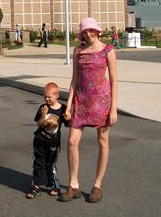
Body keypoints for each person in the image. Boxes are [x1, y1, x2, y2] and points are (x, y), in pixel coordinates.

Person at [59, 17, 118, 204]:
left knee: (102, 141)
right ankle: (73, 184)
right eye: (84, 32)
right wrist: (68, 105)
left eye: (91, 31)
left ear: (97, 31)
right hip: (81, 102)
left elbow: (114, 80)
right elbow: (74, 80)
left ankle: (97, 185)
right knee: (72, 142)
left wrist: (113, 108)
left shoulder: (108, 50)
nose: (88, 35)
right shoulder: (79, 51)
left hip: (102, 102)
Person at [26, 82, 69, 200]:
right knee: (38, 164)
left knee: (51, 165)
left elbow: (67, 124)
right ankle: (35, 186)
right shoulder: (43, 108)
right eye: (45, 96)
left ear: (57, 95)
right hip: (39, 140)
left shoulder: (63, 109)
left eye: (49, 97)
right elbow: (38, 124)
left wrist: (68, 118)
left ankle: (55, 185)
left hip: (53, 143)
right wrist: (43, 115)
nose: (46, 99)